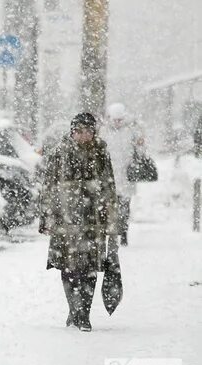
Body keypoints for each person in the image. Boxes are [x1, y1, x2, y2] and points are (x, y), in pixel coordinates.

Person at [39, 112, 120, 332]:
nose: (84, 136)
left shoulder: (101, 151)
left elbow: (109, 185)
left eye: (88, 131)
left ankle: (83, 312)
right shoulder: (60, 152)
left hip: (93, 218)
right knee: (68, 267)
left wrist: (111, 219)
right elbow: (48, 185)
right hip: (66, 219)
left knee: (90, 268)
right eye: (80, 131)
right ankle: (74, 309)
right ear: (72, 131)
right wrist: (47, 216)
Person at [99, 103, 145, 246]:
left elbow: (141, 150)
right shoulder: (104, 131)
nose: (117, 123)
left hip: (126, 174)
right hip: (109, 174)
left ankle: (124, 232)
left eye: (119, 119)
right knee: (110, 205)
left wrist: (140, 144)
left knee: (124, 205)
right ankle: (111, 231)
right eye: (114, 119)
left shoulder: (131, 130)